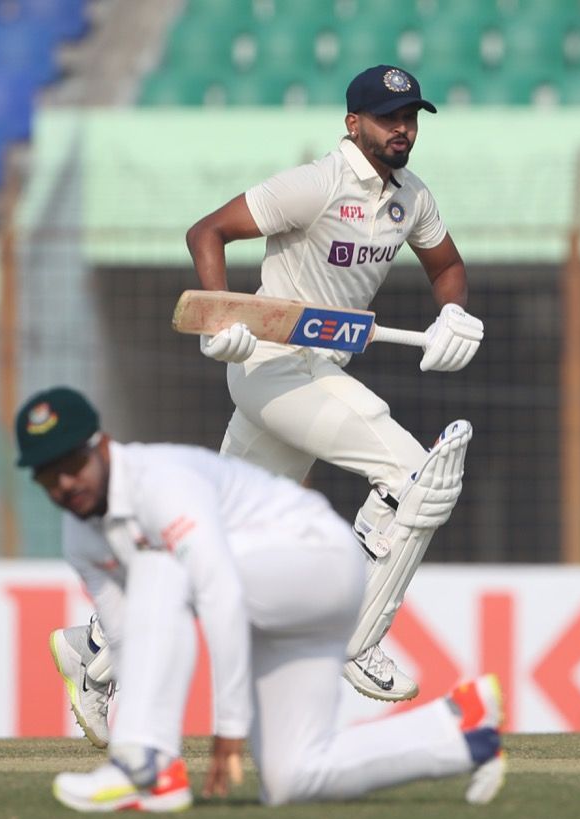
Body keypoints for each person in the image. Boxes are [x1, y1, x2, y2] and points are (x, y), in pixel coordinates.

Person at [15, 386, 505, 812]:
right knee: (293, 776)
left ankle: (147, 767)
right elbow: (131, 637)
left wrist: (229, 725)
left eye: (73, 465)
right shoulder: (80, 537)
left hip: (318, 560)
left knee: (162, 567)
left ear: (102, 446)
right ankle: (465, 730)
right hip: (277, 602)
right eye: (46, 476)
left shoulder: (159, 485)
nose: (64, 484)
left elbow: (220, 594)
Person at [183, 64, 484, 703]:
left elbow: (448, 265)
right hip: (271, 367)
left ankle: (95, 650)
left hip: (317, 372)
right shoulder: (317, 185)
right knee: (416, 478)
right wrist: (220, 317)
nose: (402, 130)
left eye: (410, 118)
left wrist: (452, 312)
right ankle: (353, 633)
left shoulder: (412, 198)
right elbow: (207, 231)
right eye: (387, 118)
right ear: (354, 123)